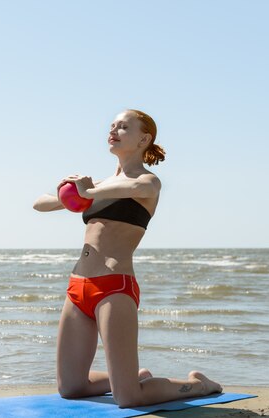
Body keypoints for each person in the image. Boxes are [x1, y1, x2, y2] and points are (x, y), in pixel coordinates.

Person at [32, 109, 222, 408]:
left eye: (123, 127)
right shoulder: (97, 186)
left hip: (114, 288)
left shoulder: (148, 182)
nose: (113, 130)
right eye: (112, 126)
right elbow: (40, 204)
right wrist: (66, 190)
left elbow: (137, 187)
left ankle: (198, 384)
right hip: (78, 287)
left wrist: (90, 190)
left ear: (143, 138)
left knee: (129, 398)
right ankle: (130, 375)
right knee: (71, 388)